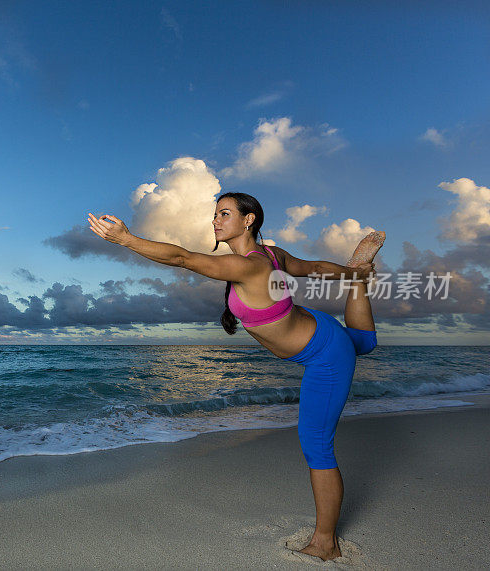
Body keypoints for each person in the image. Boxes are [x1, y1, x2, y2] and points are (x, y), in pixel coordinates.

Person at [87, 191, 385, 562]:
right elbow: (314, 269)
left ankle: (326, 542)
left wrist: (126, 239)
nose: (215, 220)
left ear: (249, 220)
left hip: (325, 355)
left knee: (317, 444)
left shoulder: (253, 265)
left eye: (224, 213)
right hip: (321, 330)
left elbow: (182, 258)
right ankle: (359, 277)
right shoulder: (271, 255)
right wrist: (349, 271)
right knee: (362, 343)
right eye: (214, 214)